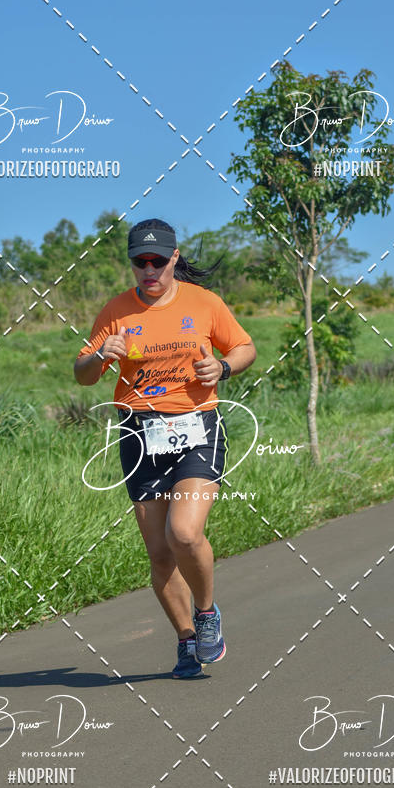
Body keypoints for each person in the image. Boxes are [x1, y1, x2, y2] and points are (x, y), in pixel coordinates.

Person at [74, 219, 256, 678]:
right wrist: (99, 356)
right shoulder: (116, 311)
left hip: (197, 427)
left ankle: (208, 612)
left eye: (158, 260)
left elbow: (244, 347)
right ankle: (185, 640)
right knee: (159, 552)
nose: (149, 270)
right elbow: (82, 373)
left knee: (185, 533)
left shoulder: (205, 303)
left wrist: (224, 368)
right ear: (132, 263)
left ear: (175, 257)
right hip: (139, 434)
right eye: (141, 262)